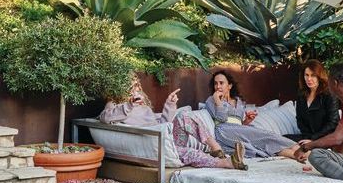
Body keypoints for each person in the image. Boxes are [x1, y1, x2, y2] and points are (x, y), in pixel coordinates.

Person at [100, 74, 246, 170]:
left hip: (165, 138)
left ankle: (215, 147)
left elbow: (164, 122)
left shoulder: (144, 107)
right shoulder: (115, 105)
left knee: (184, 116)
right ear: (119, 87)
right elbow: (105, 117)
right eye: (131, 86)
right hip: (153, 143)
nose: (136, 89)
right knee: (191, 153)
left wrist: (169, 105)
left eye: (137, 85)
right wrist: (129, 105)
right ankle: (226, 162)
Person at [205, 70, 297, 159]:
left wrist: (247, 121)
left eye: (221, 83)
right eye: (215, 83)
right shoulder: (211, 100)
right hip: (224, 132)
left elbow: (239, 125)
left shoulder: (239, 101)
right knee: (263, 136)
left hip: (238, 131)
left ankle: (296, 154)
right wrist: (218, 101)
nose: (218, 86)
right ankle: (296, 147)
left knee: (262, 139)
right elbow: (222, 119)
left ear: (229, 85)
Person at [290, 60, 341, 143]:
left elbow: (333, 122)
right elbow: (299, 120)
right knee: (281, 139)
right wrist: (307, 137)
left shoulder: (329, 94)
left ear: (319, 76)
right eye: (306, 75)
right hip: (307, 137)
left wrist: (313, 139)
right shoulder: (301, 94)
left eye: (313, 75)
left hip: (326, 138)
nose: (309, 79)